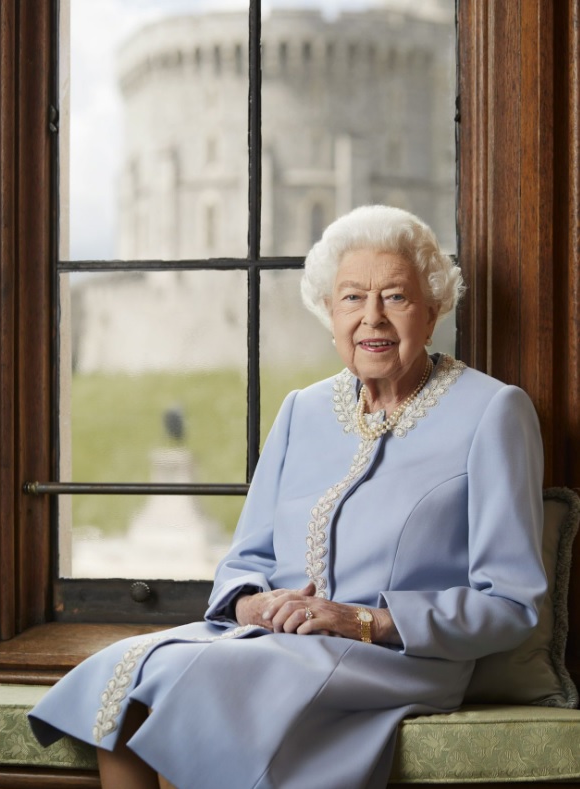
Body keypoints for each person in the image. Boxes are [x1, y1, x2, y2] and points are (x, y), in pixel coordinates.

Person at [29, 205, 547, 789]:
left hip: (395, 659)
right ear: (330, 315)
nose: (371, 318)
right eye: (352, 298)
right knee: (124, 673)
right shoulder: (302, 410)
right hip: (270, 644)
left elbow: (511, 604)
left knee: (201, 683)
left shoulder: (492, 411)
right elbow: (244, 562)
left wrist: (362, 621)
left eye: (395, 297)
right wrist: (250, 606)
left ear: (432, 311)